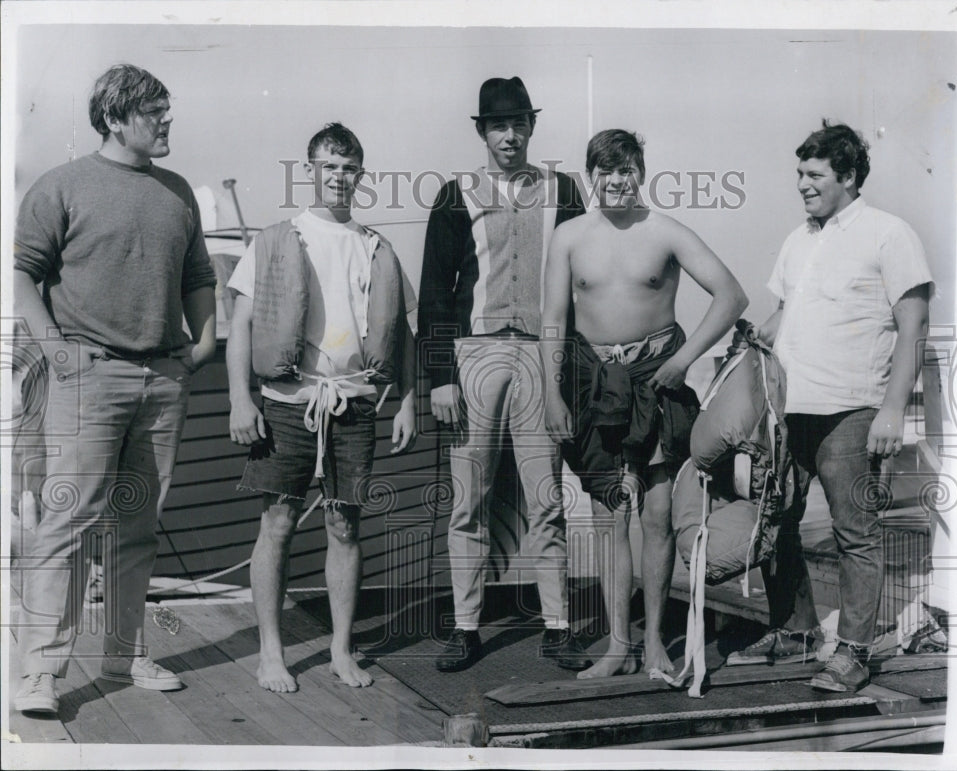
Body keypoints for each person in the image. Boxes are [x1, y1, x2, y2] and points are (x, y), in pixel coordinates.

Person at [12, 64, 217, 713]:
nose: (166, 122)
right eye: (154, 111)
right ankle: (41, 670)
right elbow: (21, 273)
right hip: (86, 373)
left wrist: (204, 343)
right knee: (66, 518)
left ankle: (124, 653)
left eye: (166, 110)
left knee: (138, 524)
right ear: (115, 116)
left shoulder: (177, 191)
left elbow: (198, 275)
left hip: (161, 377)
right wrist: (56, 351)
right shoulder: (62, 186)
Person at [725, 121, 932, 693]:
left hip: (853, 412)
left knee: (855, 534)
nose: (802, 184)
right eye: (799, 173)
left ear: (848, 176)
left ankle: (853, 653)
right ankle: (793, 632)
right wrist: (747, 344)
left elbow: (914, 325)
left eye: (814, 175)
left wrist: (894, 410)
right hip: (791, 412)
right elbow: (786, 317)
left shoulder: (890, 234)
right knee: (777, 521)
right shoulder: (799, 240)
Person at [542, 129, 748, 678]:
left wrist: (685, 360)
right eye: (606, 171)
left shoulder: (667, 231)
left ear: (641, 173)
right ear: (592, 177)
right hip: (594, 386)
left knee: (656, 515)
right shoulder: (567, 236)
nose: (617, 181)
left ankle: (654, 642)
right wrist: (550, 393)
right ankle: (617, 646)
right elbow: (553, 323)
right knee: (610, 514)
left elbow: (731, 295)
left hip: (656, 380)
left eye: (627, 169)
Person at [227, 122, 416, 692]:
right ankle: (271, 653)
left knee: (345, 526)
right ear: (310, 170)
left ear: (361, 174)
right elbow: (241, 326)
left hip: (354, 405)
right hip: (288, 402)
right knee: (279, 522)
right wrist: (240, 398)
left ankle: (340, 648)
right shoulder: (276, 239)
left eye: (349, 167)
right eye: (329, 166)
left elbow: (402, 335)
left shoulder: (378, 246)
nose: (339, 177)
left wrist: (407, 402)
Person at [418, 76, 590, 672]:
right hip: (473, 356)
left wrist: (573, 372)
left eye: (519, 123)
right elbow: (436, 293)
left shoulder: (565, 191)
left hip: (542, 356)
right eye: (498, 125)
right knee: (470, 499)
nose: (509, 135)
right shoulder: (454, 194)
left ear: (532, 127)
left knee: (546, 498)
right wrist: (439, 375)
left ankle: (559, 626)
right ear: (482, 131)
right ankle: (466, 627)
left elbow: (582, 285)